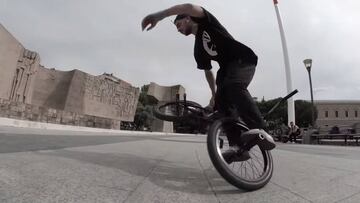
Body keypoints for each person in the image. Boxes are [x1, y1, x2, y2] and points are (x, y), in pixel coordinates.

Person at [141, 4, 274, 157]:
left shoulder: (206, 22)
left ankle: (263, 131)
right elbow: (208, 72)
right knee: (223, 107)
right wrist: (214, 94)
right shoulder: (198, 50)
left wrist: (161, 15)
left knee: (233, 86)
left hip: (243, 59)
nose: (178, 29)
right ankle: (238, 147)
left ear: (188, 18)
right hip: (226, 69)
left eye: (178, 24)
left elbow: (189, 6)